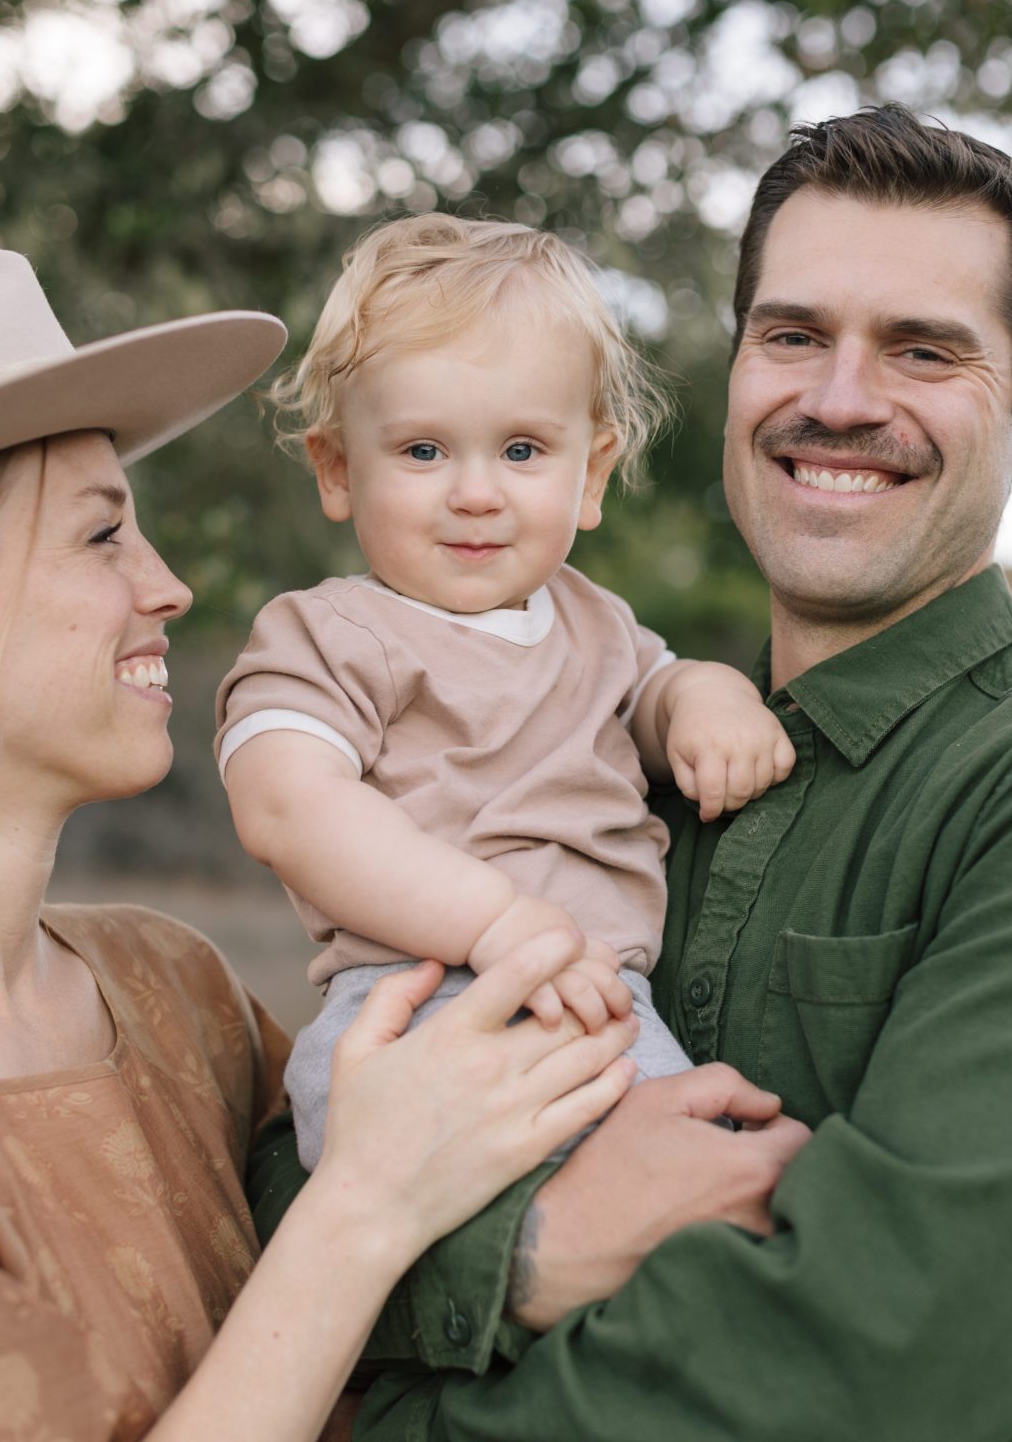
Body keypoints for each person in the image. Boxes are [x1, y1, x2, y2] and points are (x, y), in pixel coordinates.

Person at [296, 103, 1012, 1440]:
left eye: (923, 350)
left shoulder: (989, 783)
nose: (838, 399)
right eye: (790, 336)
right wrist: (529, 1246)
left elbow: (897, 1344)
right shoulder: (592, 749)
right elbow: (272, 1177)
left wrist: (405, 1337)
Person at [0, 247, 659, 1441]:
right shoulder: (335, 648)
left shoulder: (175, 989)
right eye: (101, 537)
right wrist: (366, 1210)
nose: (170, 586)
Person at [214, 215, 795, 1172]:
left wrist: (708, 695)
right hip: (421, 1001)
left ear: (591, 474)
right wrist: (495, 922)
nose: (476, 492)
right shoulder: (333, 633)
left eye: (522, 451)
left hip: (603, 1003)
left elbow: (654, 698)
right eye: (424, 452)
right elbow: (286, 804)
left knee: (703, 1192)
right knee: (497, 1211)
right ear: (338, 469)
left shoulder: (594, 622)